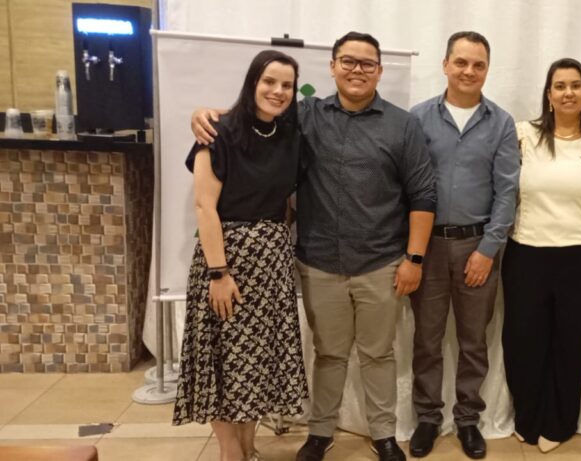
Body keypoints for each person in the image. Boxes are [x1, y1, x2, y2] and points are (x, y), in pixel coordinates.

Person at [191, 32, 436, 461]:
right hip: (320, 263)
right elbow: (258, 113)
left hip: (381, 262)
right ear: (333, 66)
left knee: (378, 354)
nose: (357, 70)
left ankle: (383, 435)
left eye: (367, 63)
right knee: (329, 355)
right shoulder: (305, 115)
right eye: (348, 61)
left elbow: (423, 195)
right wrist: (207, 114)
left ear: (379, 71)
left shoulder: (403, 125)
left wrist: (414, 258)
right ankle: (320, 433)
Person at [173, 49, 308, 461]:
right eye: (269, 81)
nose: (278, 91)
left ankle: (249, 447)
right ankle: (230, 451)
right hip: (226, 259)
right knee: (223, 360)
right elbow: (205, 207)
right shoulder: (218, 132)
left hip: (271, 261)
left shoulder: (290, 135)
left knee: (254, 362)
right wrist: (219, 273)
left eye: (287, 85)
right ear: (253, 82)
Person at [502, 57, 581, 454]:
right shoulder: (523, 136)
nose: (568, 92)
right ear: (549, 94)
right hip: (527, 254)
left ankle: (559, 422)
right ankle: (527, 417)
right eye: (560, 86)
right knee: (523, 341)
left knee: (570, 344)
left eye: (575, 85)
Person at [407, 31, 519, 459]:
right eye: (461, 62)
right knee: (427, 338)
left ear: (487, 70)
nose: (469, 71)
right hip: (428, 247)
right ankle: (427, 418)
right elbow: (405, 185)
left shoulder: (501, 123)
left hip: (478, 245)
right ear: (445, 65)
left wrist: (488, 250)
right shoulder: (418, 118)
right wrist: (412, 250)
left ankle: (468, 419)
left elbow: (507, 192)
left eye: (478, 64)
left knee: (473, 340)